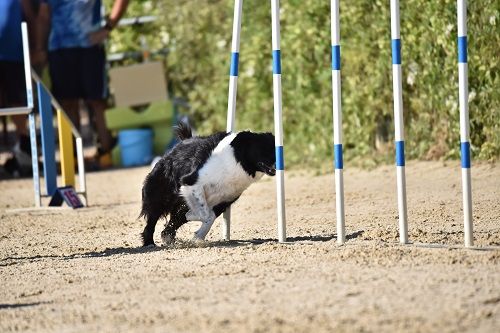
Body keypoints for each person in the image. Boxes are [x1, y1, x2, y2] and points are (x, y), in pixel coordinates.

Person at [37, 0, 129, 168]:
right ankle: (70, 158)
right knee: (66, 104)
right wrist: (40, 48)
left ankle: (105, 152)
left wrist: (107, 28)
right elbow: (44, 15)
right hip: (58, 48)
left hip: (90, 47)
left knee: (97, 102)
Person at [0, 0, 44, 177]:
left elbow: (30, 17)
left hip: (15, 53)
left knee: (17, 102)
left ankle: (25, 147)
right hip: (12, 53)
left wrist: (35, 46)